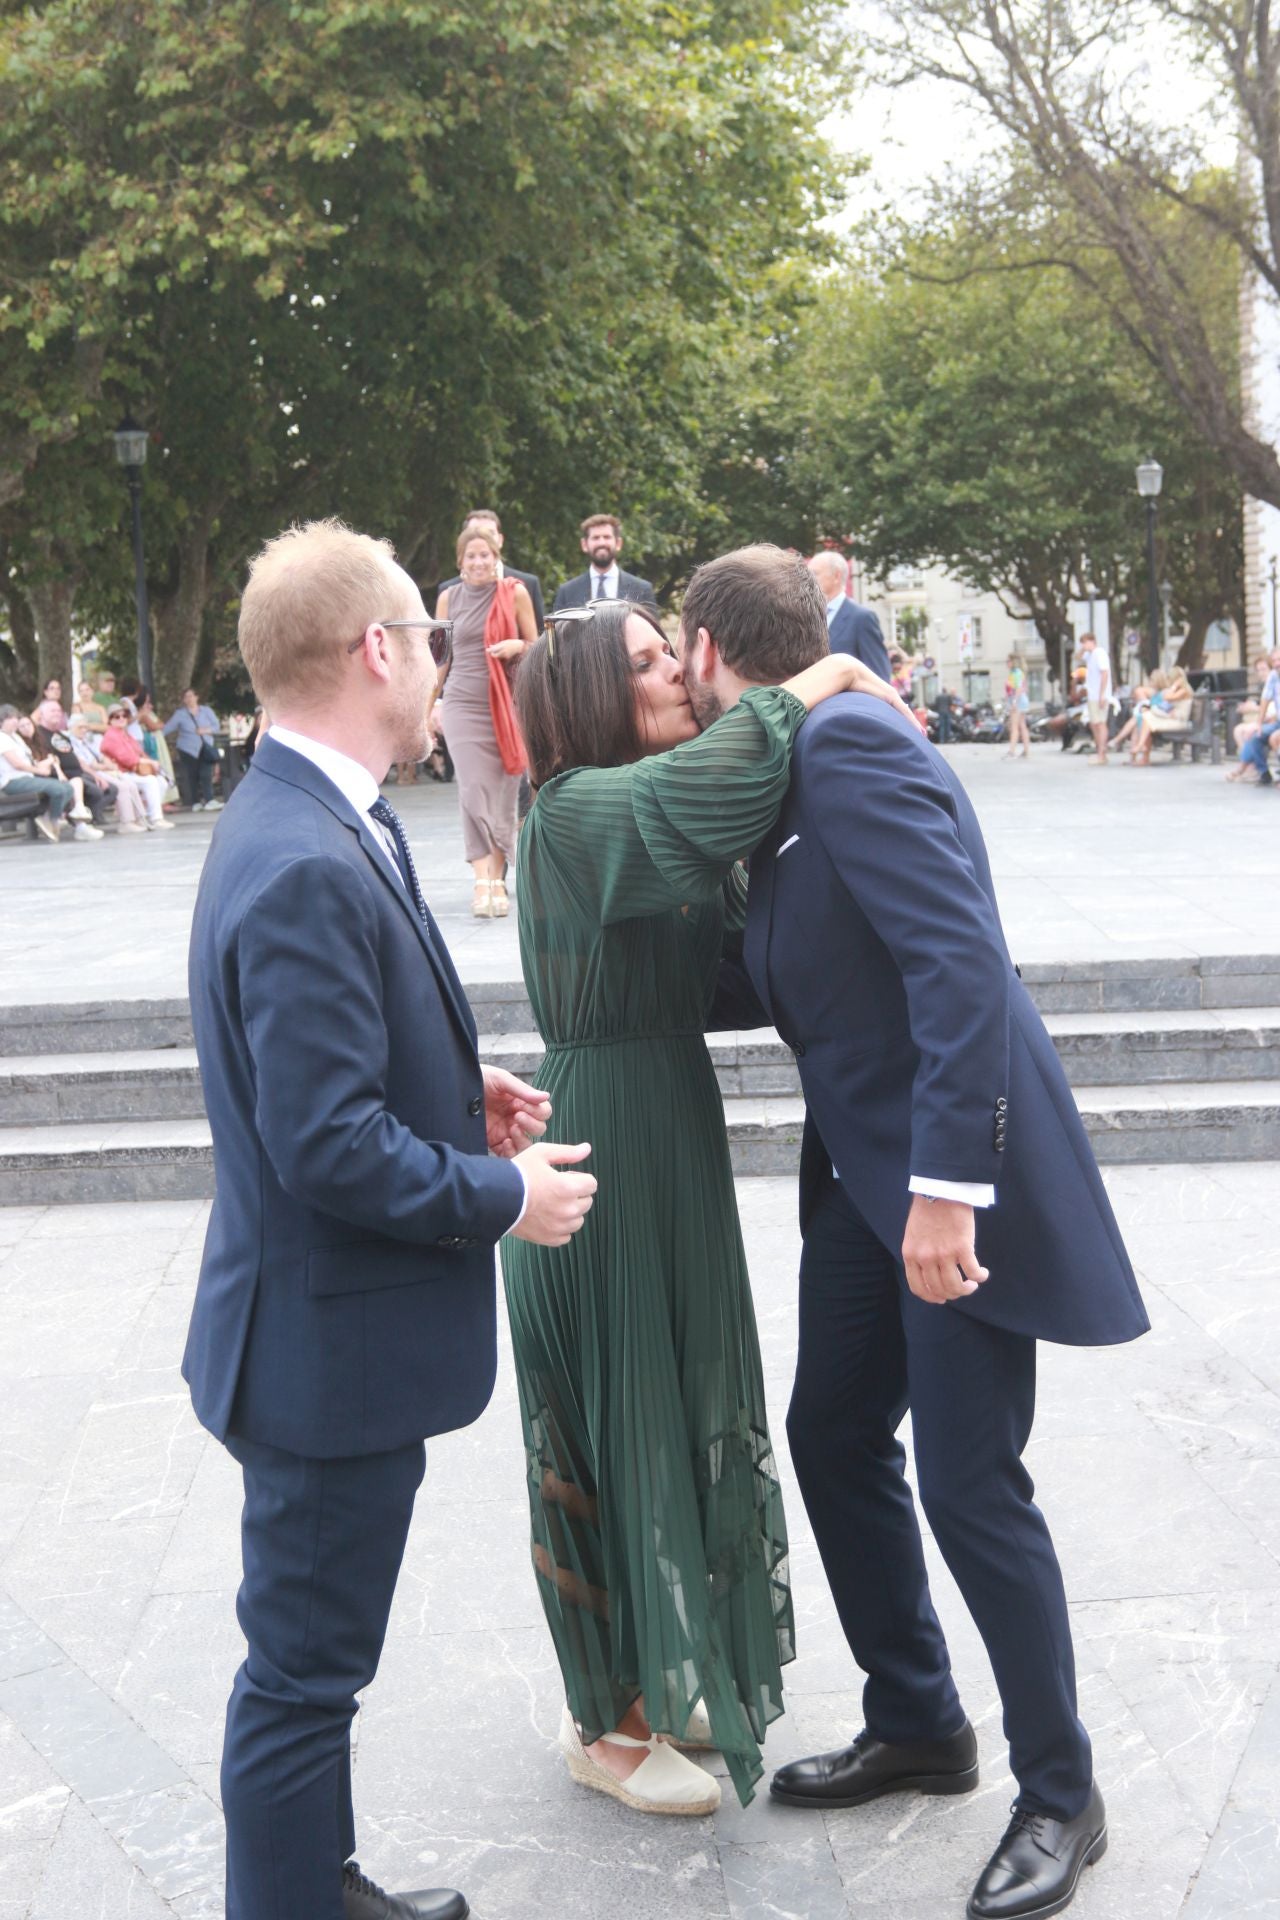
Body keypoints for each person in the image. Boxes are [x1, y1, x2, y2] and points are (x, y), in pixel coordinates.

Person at [677, 545, 1149, 1920]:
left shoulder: (849, 748)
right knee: (832, 1431)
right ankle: (922, 1721)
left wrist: (949, 1188)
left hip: (950, 1178)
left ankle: (1063, 1792)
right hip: (865, 1179)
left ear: (710, 656)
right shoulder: (789, 770)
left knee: (969, 1481)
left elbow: (956, 961)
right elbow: (790, 969)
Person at [183, 517, 598, 1920]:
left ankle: (323, 1884)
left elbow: (324, 1070)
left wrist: (445, 1076)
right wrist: (506, 1198)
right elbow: (325, 1147)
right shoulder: (306, 850)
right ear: (374, 651)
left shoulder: (312, 814)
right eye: (430, 641)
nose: (445, 664)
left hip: (320, 1346)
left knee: (321, 1667)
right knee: (301, 1682)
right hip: (316, 1363)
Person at [504, 598, 910, 1817]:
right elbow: (707, 788)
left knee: (680, 1401)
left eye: (671, 656)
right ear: (589, 698)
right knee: (617, 1414)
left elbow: (747, 938)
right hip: (602, 1145)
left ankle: (667, 1679)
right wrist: (827, 668)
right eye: (645, 666)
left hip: (668, 1127)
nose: (679, 678)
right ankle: (607, 1720)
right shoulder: (577, 811)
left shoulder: (643, 836)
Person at [432, 523, 537, 917]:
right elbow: (440, 657)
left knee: (503, 797)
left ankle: (496, 882)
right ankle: (482, 881)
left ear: (496, 558)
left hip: (505, 706)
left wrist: (518, 646)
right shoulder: (447, 598)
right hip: (461, 701)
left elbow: (541, 645)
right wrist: (430, 705)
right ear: (461, 561)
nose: (479, 561)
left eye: (485, 555)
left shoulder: (515, 594)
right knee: (473, 790)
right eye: (471, 555)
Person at [435, 507, 546, 627]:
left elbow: (540, 640)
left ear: (500, 540)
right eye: (475, 532)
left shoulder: (526, 585)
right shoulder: (448, 592)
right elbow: (440, 642)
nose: (481, 537)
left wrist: (519, 645)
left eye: (489, 533)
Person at [13, 713, 102, 835]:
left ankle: (80, 815)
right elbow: (37, 765)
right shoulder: (21, 745)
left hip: (51, 773)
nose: (26, 727)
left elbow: (54, 760)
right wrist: (50, 761)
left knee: (75, 781)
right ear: (17, 730)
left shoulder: (40, 741)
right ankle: (76, 824)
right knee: (69, 787)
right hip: (39, 777)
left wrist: (60, 774)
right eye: (22, 726)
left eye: (28, 724)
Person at [807, 551, 892, 677]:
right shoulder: (808, 616)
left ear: (836, 576)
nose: (808, 580)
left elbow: (879, 674)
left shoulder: (862, 618)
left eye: (815, 574)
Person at [551, 513, 659, 611]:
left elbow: (652, 632)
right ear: (584, 544)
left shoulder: (642, 589)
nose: (601, 542)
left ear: (618, 543)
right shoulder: (567, 592)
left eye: (607, 537)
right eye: (595, 538)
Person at [0, 704, 75, 840]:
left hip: (27, 778)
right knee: (57, 789)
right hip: (13, 781)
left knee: (68, 787)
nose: (15, 721)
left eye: (16, 717)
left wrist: (46, 763)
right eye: (11, 718)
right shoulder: (2, 738)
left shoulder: (16, 738)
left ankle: (48, 818)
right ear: (2, 721)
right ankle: (54, 820)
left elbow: (29, 761)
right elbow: (17, 764)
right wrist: (38, 770)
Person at [99, 706, 171, 824]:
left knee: (161, 781)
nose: (122, 719)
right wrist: (150, 762)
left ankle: (146, 814)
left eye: (124, 716)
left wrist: (153, 764)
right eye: (117, 716)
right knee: (150, 781)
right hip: (119, 773)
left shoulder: (125, 734)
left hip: (132, 771)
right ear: (110, 720)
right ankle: (156, 818)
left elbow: (139, 753)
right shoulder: (111, 737)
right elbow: (127, 759)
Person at [164, 687, 224, 809]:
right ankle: (195, 802)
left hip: (205, 746)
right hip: (188, 749)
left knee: (206, 774)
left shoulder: (206, 711)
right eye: (186, 697)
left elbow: (216, 725)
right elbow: (168, 728)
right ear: (184, 700)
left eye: (191, 696)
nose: (189, 699)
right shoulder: (180, 714)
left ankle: (209, 799)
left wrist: (205, 730)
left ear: (196, 697)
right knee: (192, 775)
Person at [1128, 665, 1194, 766]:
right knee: (1146, 717)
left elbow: (1167, 698)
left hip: (1179, 721)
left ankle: (1141, 749)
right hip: (1172, 718)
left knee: (1147, 718)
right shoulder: (1178, 690)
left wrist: (1174, 686)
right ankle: (1142, 749)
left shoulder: (1183, 691)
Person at [1237, 649, 1280, 785]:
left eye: (1279, 659)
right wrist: (1259, 724)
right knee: (1255, 736)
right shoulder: (1273, 676)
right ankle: (1263, 773)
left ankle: (1242, 769)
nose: (1277, 663)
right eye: (1274, 661)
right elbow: (1265, 700)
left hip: (1276, 721)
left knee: (1274, 739)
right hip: (1277, 722)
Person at [1077, 632, 1112, 764]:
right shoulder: (1089, 655)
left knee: (1100, 723)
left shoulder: (1099, 653)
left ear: (1092, 641)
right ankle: (1100, 750)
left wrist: (1102, 694)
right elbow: (1077, 657)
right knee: (1094, 723)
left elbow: (1104, 673)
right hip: (1092, 694)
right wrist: (1083, 648)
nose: (1084, 646)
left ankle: (1102, 753)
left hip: (1100, 694)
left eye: (1086, 642)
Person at [1003, 654, 1031, 758]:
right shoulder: (1017, 673)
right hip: (1020, 700)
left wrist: (1014, 702)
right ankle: (1026, 750)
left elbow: (1018, 688)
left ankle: (1012, 750)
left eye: (1008, 661)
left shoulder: (1016, 673)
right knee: (1022, 725)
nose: (1007, 663)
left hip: (1017, 700)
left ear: (1013, 662)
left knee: (1014, 726)